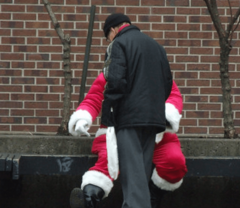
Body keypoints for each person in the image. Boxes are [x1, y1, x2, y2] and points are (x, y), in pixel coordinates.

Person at [69, 13, 182, 208]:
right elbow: (167, 85)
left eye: (108, 37)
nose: (109, 41)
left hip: (127, 120)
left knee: (132, 171)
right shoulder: (156, 47)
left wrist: (112, 109)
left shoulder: (119, 44)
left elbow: (113, 83)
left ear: (113, 30)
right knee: (141, 171)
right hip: (153, 123)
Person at [68, 73, 187, 208]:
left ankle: (152, 199)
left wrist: (165, 116)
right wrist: (83, 118)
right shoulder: (110, 73)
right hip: (117, 133)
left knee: (174, 161)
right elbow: (94, 98)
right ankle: (89, 198)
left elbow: (173, 96)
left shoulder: (158, 71)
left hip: (156, 135)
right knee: (110, 159)